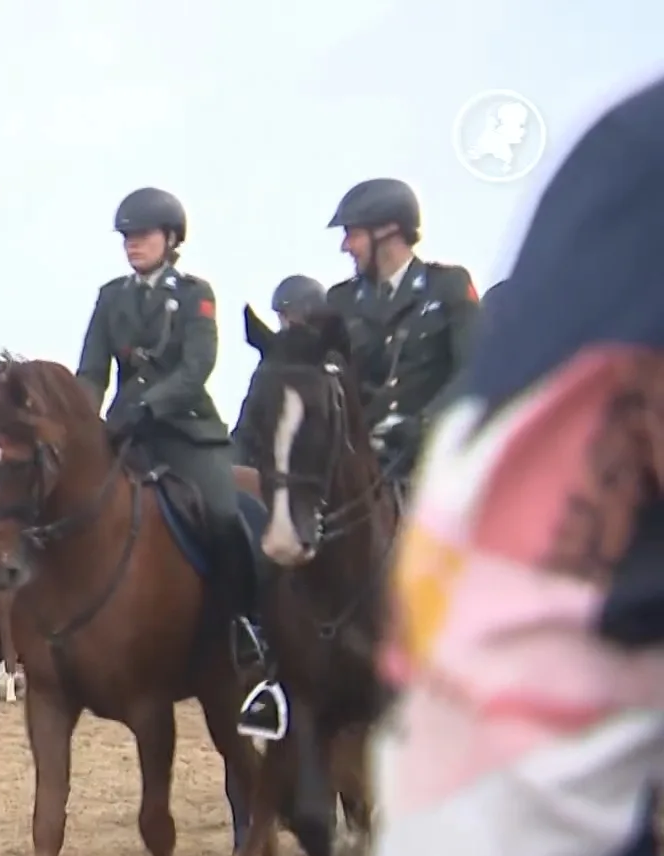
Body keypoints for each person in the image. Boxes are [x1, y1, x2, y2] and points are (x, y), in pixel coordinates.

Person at [372, 75, 664, 856]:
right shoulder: (353, 306)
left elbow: (459, 380)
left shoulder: (449, 289)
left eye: (360, 234)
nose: (349, 249)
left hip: (421, 449)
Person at [74, 186, 282, 735]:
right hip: (124, 436)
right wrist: (80, 418)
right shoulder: (110, 296)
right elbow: (92, 370)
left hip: (188, 433)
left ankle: (246, 627)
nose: (132, 245)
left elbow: (197, 367)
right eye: (126, 237)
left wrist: (145, 404)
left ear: (169, 240)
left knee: (222, 514)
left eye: (141, 236)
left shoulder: (195, 294)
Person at [323, 177, 480, 488]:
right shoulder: (339, 301)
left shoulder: (448, 287)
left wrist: (423, 426)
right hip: (359, 467)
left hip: (431, 463)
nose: (345, 247)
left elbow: (473, 368)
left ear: (388, 232)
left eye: (352, 234)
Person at [231, 274, 328, 468]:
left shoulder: (327, 358)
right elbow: (246, 428)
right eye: (282, 316)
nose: (284, 322)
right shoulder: (272, 359)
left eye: (288, 314)